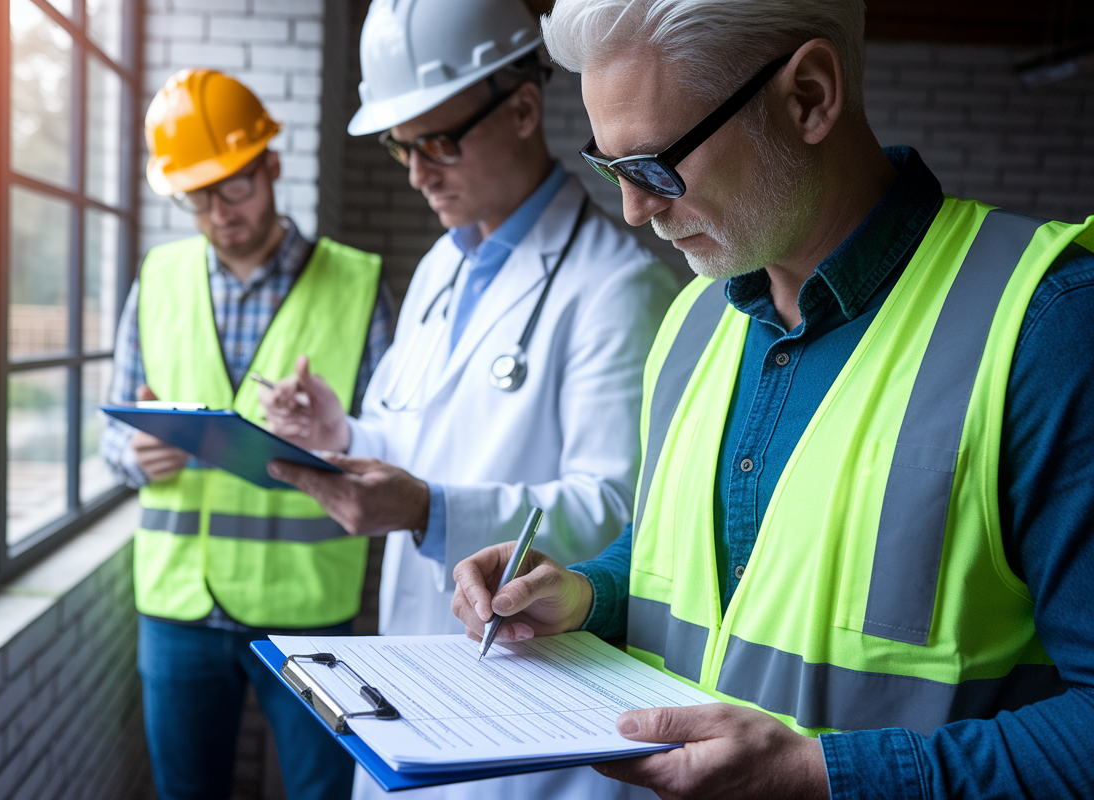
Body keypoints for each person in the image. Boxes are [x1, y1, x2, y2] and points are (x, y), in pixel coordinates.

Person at [449, 1, 1094, 798]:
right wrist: (588, 594)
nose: (633, 209)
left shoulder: (1049, 327)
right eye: (611, 167)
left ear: (810, 97)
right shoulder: (691, 321)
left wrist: (824, 778)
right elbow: (698, 570)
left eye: (654, 166)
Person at [259, 1, 676, 798]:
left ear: (522, 109)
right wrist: (339, 428)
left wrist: (428, 512)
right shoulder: (438, 269)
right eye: (400, 146)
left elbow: (621, 512)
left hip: (525, 715)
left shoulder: (616, 288)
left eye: (437, 142)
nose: (416, 172)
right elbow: (423, 434)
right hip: (407, 684)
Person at [101, 69, 393, 800]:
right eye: (196, 195)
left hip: (308, 612)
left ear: (271, 165)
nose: (218, 212)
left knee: (324, 792)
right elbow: (110, 437)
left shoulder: (360, 286)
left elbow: (394, 445)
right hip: (177, 610)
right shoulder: (157, 279)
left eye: (233, 186)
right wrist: (135, 456)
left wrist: (333, 440)